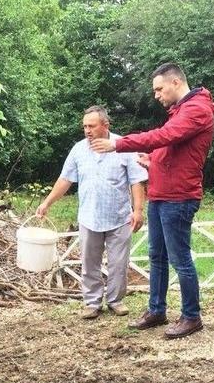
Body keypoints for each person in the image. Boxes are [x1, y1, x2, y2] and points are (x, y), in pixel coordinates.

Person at [89, 63, 214, 339]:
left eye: (159, 89)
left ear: (175, 82)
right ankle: (156, 310)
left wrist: (118, 144)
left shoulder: (197, 110)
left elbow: (165, 136)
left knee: (180, 259)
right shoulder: (180, 111)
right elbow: (171, 148)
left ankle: (191, 316)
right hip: (161, 193)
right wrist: (153, 161)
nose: (157, 95)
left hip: (179, 197)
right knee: (157, 257)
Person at [36, 106, 147, 319]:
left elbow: (136, 181)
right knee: (89, 263)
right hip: (89, 217)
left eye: (92, 126)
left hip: (119, 217)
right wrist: (47, 202)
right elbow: (65, 179)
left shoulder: (123, 147)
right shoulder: (78, 150)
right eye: (85, 126)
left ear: (105, 125)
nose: (87, 130)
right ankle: (92, 302)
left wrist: (138, 210)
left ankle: (115, 300)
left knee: (118, 263)